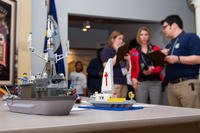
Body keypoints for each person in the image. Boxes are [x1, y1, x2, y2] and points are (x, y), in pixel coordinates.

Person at [161, 15, 200, 108]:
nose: (163, 30)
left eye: (165, 27)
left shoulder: (191, 37)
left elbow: (198, 58)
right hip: (171, 86)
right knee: (176, 120)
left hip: (187, 84)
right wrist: (161, 56)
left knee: (191, 118)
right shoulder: (169, 44)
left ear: (173, 25)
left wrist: (177, 59)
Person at [130, 26, 164, 104]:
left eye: (146, 34)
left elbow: (160, 66)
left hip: (155, 82)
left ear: (149, 36)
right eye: (141, 35)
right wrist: (133, 78)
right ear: (138, 36)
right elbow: (134, 69)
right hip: (141, 83)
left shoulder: (155, 49)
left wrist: (151, 71)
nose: (144, 37)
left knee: (156, 107)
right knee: (141, 107)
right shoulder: (134, 51)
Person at [100, 30, 129, 98]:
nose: (121, 41)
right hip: (114, 83)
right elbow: (107, 66)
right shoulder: (107, 50)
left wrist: (128, 60)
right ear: (113, 39)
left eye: (122, 39)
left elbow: (127, 68)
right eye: (119, 38)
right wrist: (119, 52)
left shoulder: (122, 51)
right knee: (114, 104)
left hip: (124, 82)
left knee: (122, 105)